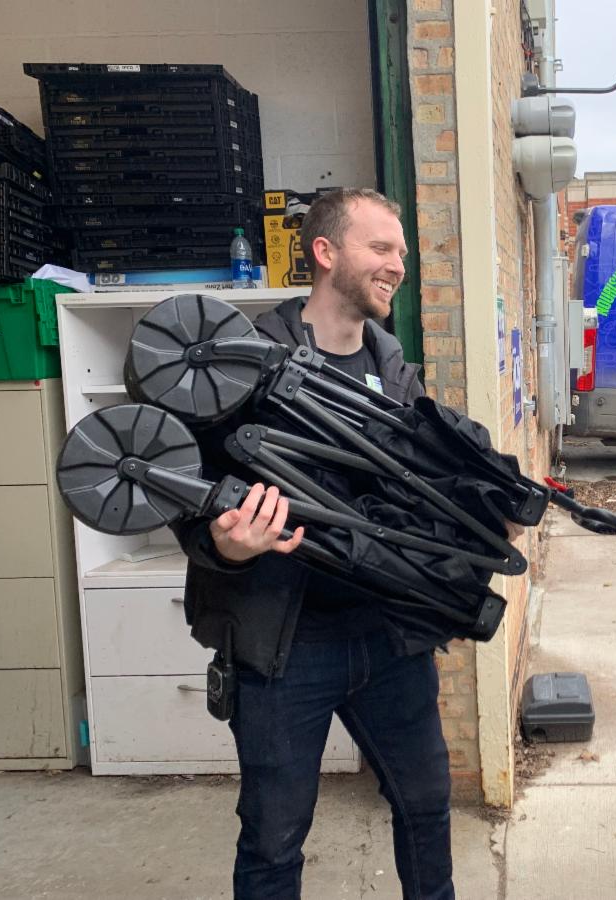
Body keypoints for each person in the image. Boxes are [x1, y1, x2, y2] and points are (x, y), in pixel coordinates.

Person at [172, 188, 455, 900]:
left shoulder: (395, 372)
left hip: (389, 637)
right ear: (325, 252)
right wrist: (229, 548)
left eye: (401, 251)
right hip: (283, 645)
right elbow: (184, 494)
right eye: (381, 248)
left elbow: (419, 495)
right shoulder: (240, 365)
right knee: (272, 838)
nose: (398, 265)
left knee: (426, 807)